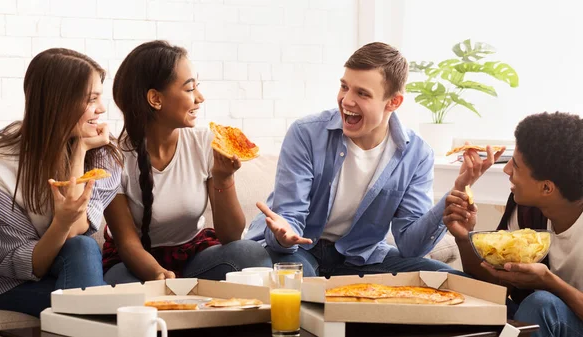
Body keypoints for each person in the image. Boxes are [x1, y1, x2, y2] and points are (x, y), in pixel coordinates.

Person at [245, 41, 503, 277]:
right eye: (344, 86)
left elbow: (410, 246)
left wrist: (455, 194)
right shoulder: (306, 133)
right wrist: (284, 235)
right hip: (299, 250)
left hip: (359, 257)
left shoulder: (416, 154)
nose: (346, 100)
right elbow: (290, 217)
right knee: (303, 286)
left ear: (394, 102)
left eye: (362, 94)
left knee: (449, 281)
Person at [102, 40, 272, 284]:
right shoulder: (113, 157)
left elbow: (231, 236)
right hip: (135, 261)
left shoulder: (205, 142)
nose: (200, 98)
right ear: (155, 99)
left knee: (250, 254)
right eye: (190, 89)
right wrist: (159, 277)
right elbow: (128, 243)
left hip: (192, 256)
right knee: (124, 286)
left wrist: (224, 178)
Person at [0, 48, 122, 317]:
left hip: (68, 267)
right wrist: (60, 222)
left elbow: (76, 231)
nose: (102, 108)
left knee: (82, 246)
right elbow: (26, 264)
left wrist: (80, 150)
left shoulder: (101, 154)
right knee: (98, 303)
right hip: (6, 284)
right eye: (91, 99)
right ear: (59, 103)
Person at [444, 112, 583, 337]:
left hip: (564, 320)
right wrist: (464, 237)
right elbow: (497, 286)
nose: (507, 170)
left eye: (516, 166)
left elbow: (545, 300)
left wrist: (550, 282)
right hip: (536, 318)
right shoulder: (526, 207)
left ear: (547, 188)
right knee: (454, 285)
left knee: (541, 304)